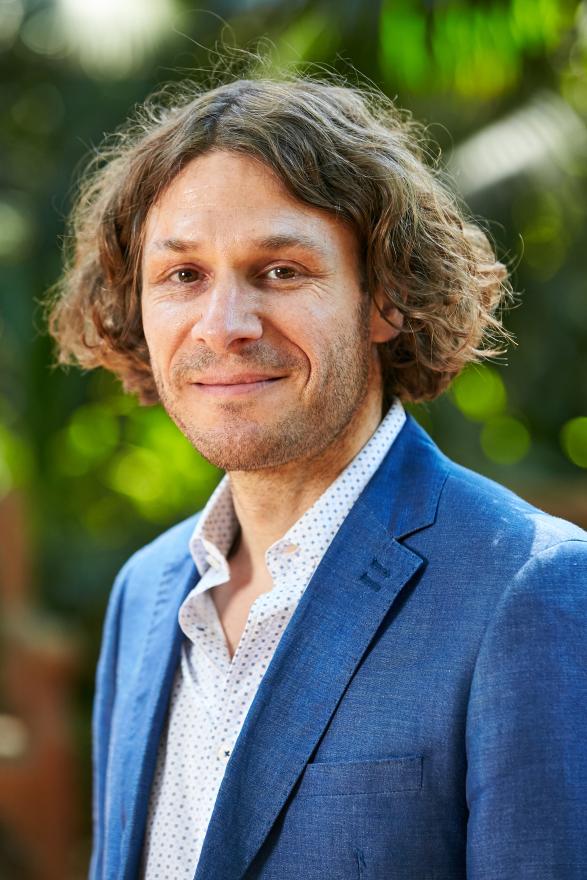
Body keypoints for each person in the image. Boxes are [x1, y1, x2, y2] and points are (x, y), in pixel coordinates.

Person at [48, 74, 587, 880]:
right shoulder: (147, 592)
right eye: (183, 276)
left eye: (279, 271)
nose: (223, 326)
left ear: (386, 298)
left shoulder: (528, 589)